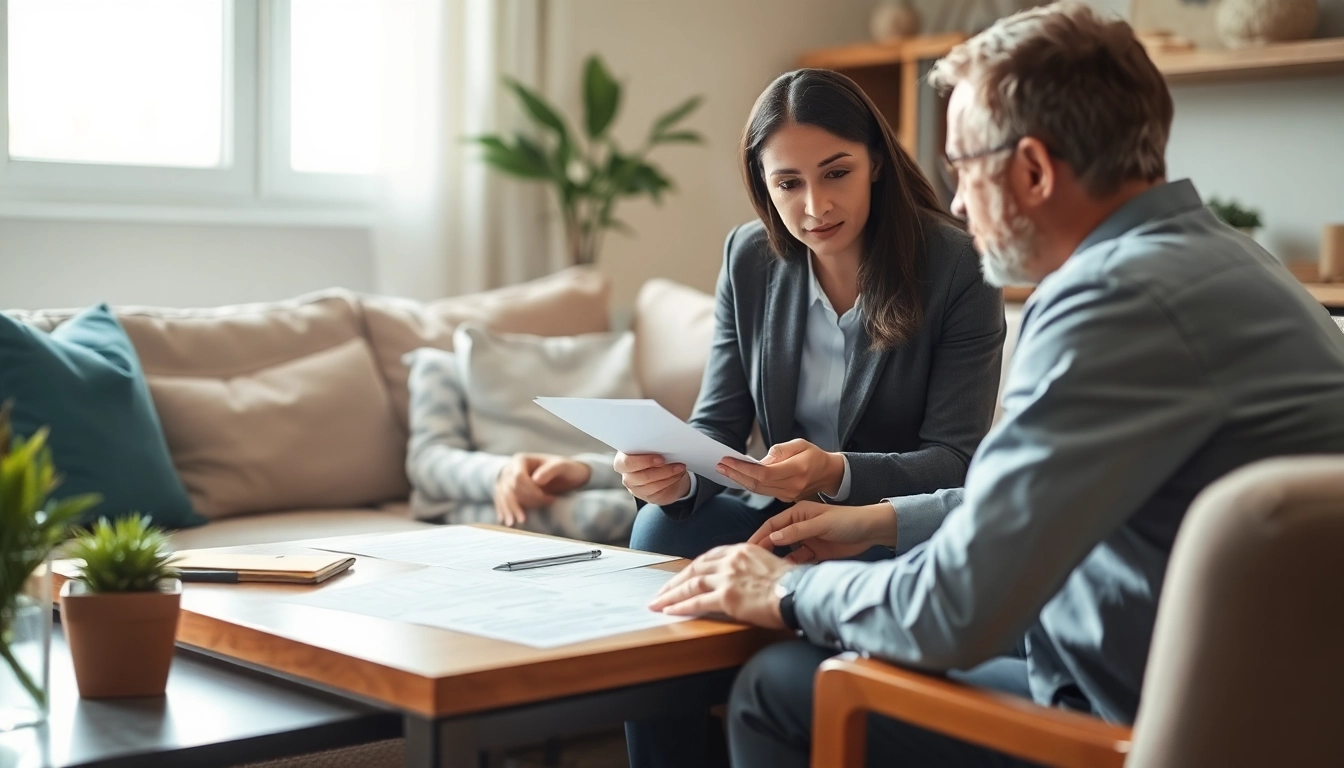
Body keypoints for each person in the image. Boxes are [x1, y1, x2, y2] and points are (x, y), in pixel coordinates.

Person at [647, 3, 1344, 766]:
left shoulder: (1106, 303)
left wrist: (779, 593)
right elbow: (1035, 496)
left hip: (1134, 718)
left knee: (781, 686)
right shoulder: (1234, 263)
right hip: (1261, 702)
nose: (953, 202)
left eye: (963, 168)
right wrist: (875, 522)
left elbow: (953, 611)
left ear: (1034, 170)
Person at [618, 67, 1006, 768]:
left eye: (837, 174)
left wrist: (839, 475)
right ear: (763, 184)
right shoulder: (750, 258)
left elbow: (957, 462)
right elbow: (719, 424)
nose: (815, 206)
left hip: (888, 531)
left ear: (877, 164)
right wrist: (673, 477)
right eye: (788, 183)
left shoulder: (956, 266)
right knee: (657, 526)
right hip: (775, 519)